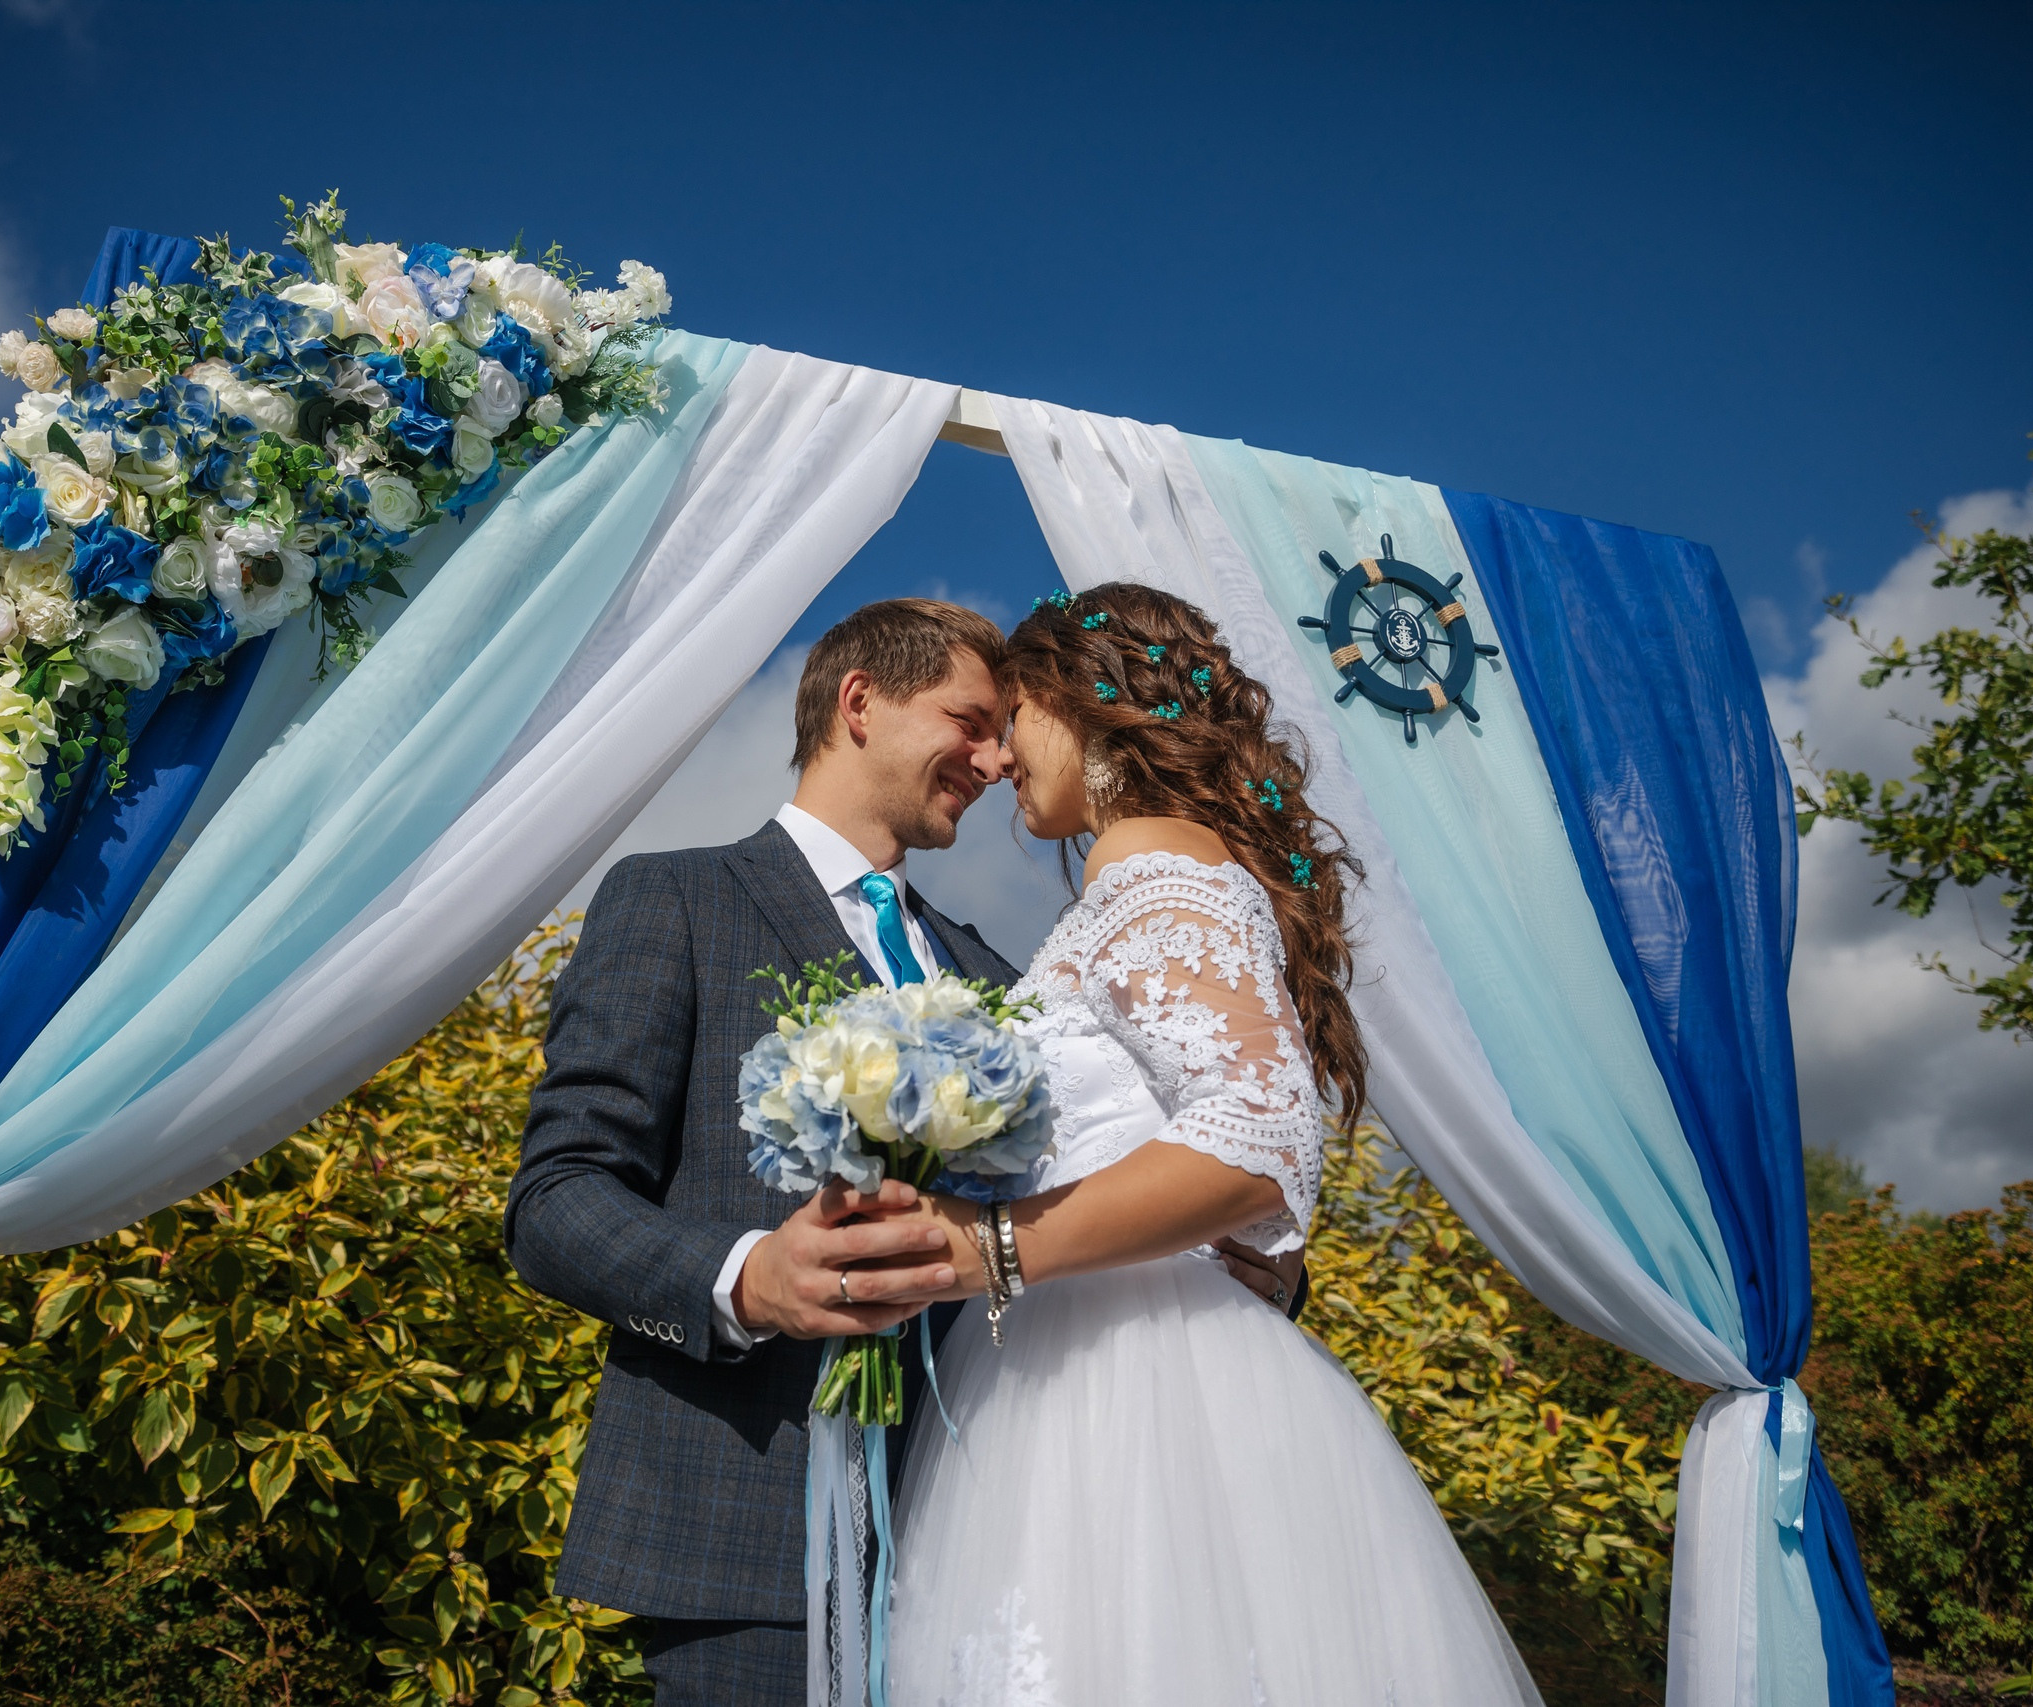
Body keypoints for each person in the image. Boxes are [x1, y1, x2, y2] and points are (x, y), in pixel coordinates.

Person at [880, 583, 1541, 1706]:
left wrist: (989, 1245)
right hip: (1095, 1356)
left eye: (1014, 717)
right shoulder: (1147, 879)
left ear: (1082, 702)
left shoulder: (1152, 871)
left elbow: (1259, 1132)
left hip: (1130, 1389)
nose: (996, 759)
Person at [504, 599, 1025, 1706]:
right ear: (860, 702)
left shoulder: (996, 978)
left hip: (980, 1554)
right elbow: (556, 1199)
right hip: (746, 1544)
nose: (995, 760)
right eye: (970, 722)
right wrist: (748, 1281)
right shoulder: (675, 898)